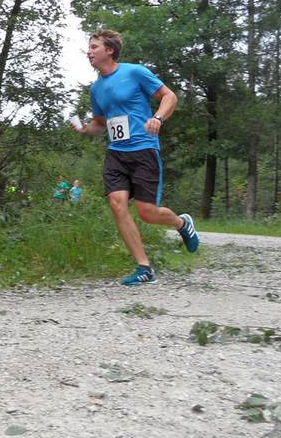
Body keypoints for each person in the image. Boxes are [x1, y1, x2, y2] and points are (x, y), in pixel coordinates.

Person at [72, 29, 198, 286]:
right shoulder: (96, 89)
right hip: (116, 153)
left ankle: (181, 223)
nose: (89, 52)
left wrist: (158, 118)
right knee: (117, 204)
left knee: (147, 213)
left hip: (143, 149)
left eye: (94, 47)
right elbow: (100, 123)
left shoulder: (135, 72)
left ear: (109, 50)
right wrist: (85, 129)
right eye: (89, 47)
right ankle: (144, 268)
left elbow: (169, 96)